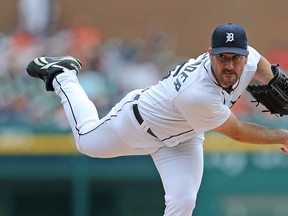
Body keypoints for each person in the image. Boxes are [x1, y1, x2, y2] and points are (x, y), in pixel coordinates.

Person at [26, 23, 288, 216]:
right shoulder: (198, 93)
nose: (229, 65)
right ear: (210, 54)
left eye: (236, 57)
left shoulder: (250, 58)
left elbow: (265, 69)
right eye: (223, 57)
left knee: (183, 201)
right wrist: (284, 135)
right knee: (85, 141)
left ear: (245, 54)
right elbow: (238, 131)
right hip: (139, 124)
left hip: (185, 136)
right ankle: (63, 75)